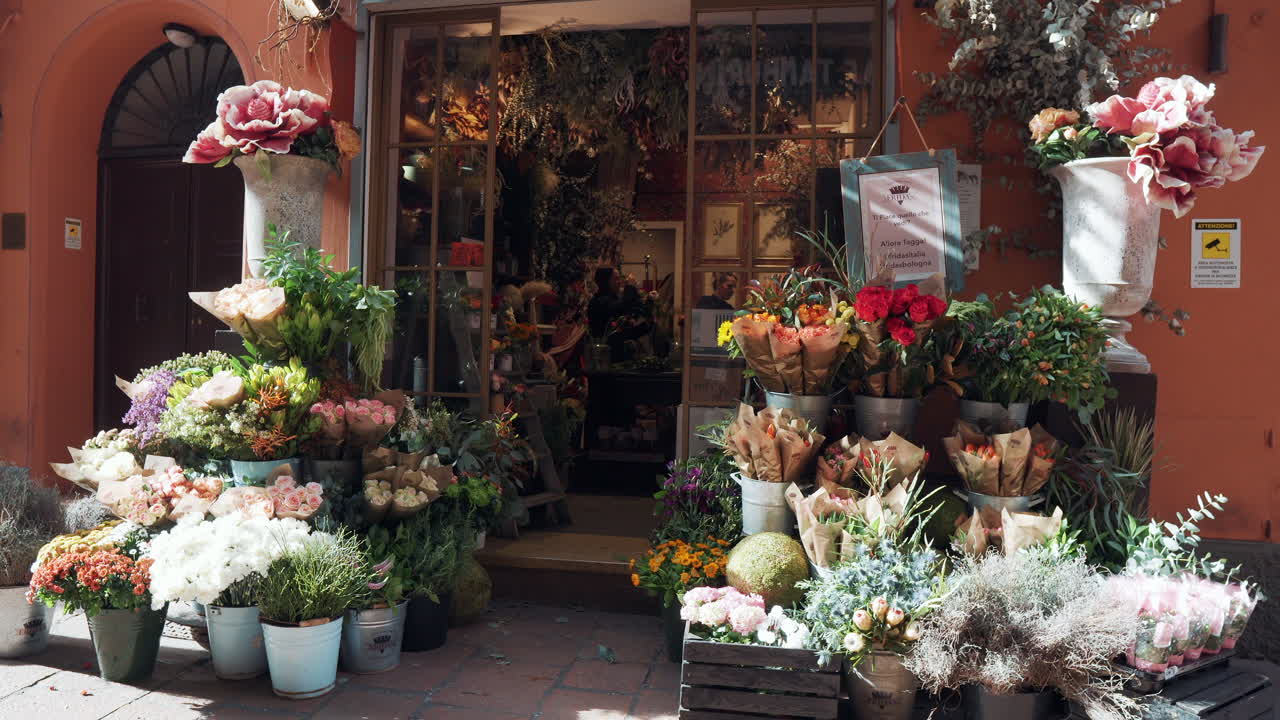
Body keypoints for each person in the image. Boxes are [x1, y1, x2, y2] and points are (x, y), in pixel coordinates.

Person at [587, 267, 622, 338]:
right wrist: (630, 289)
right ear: (605, 281)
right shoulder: (599, 302)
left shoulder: (612, 299)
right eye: (616, 279)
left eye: (619, 278)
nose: (619, 282)